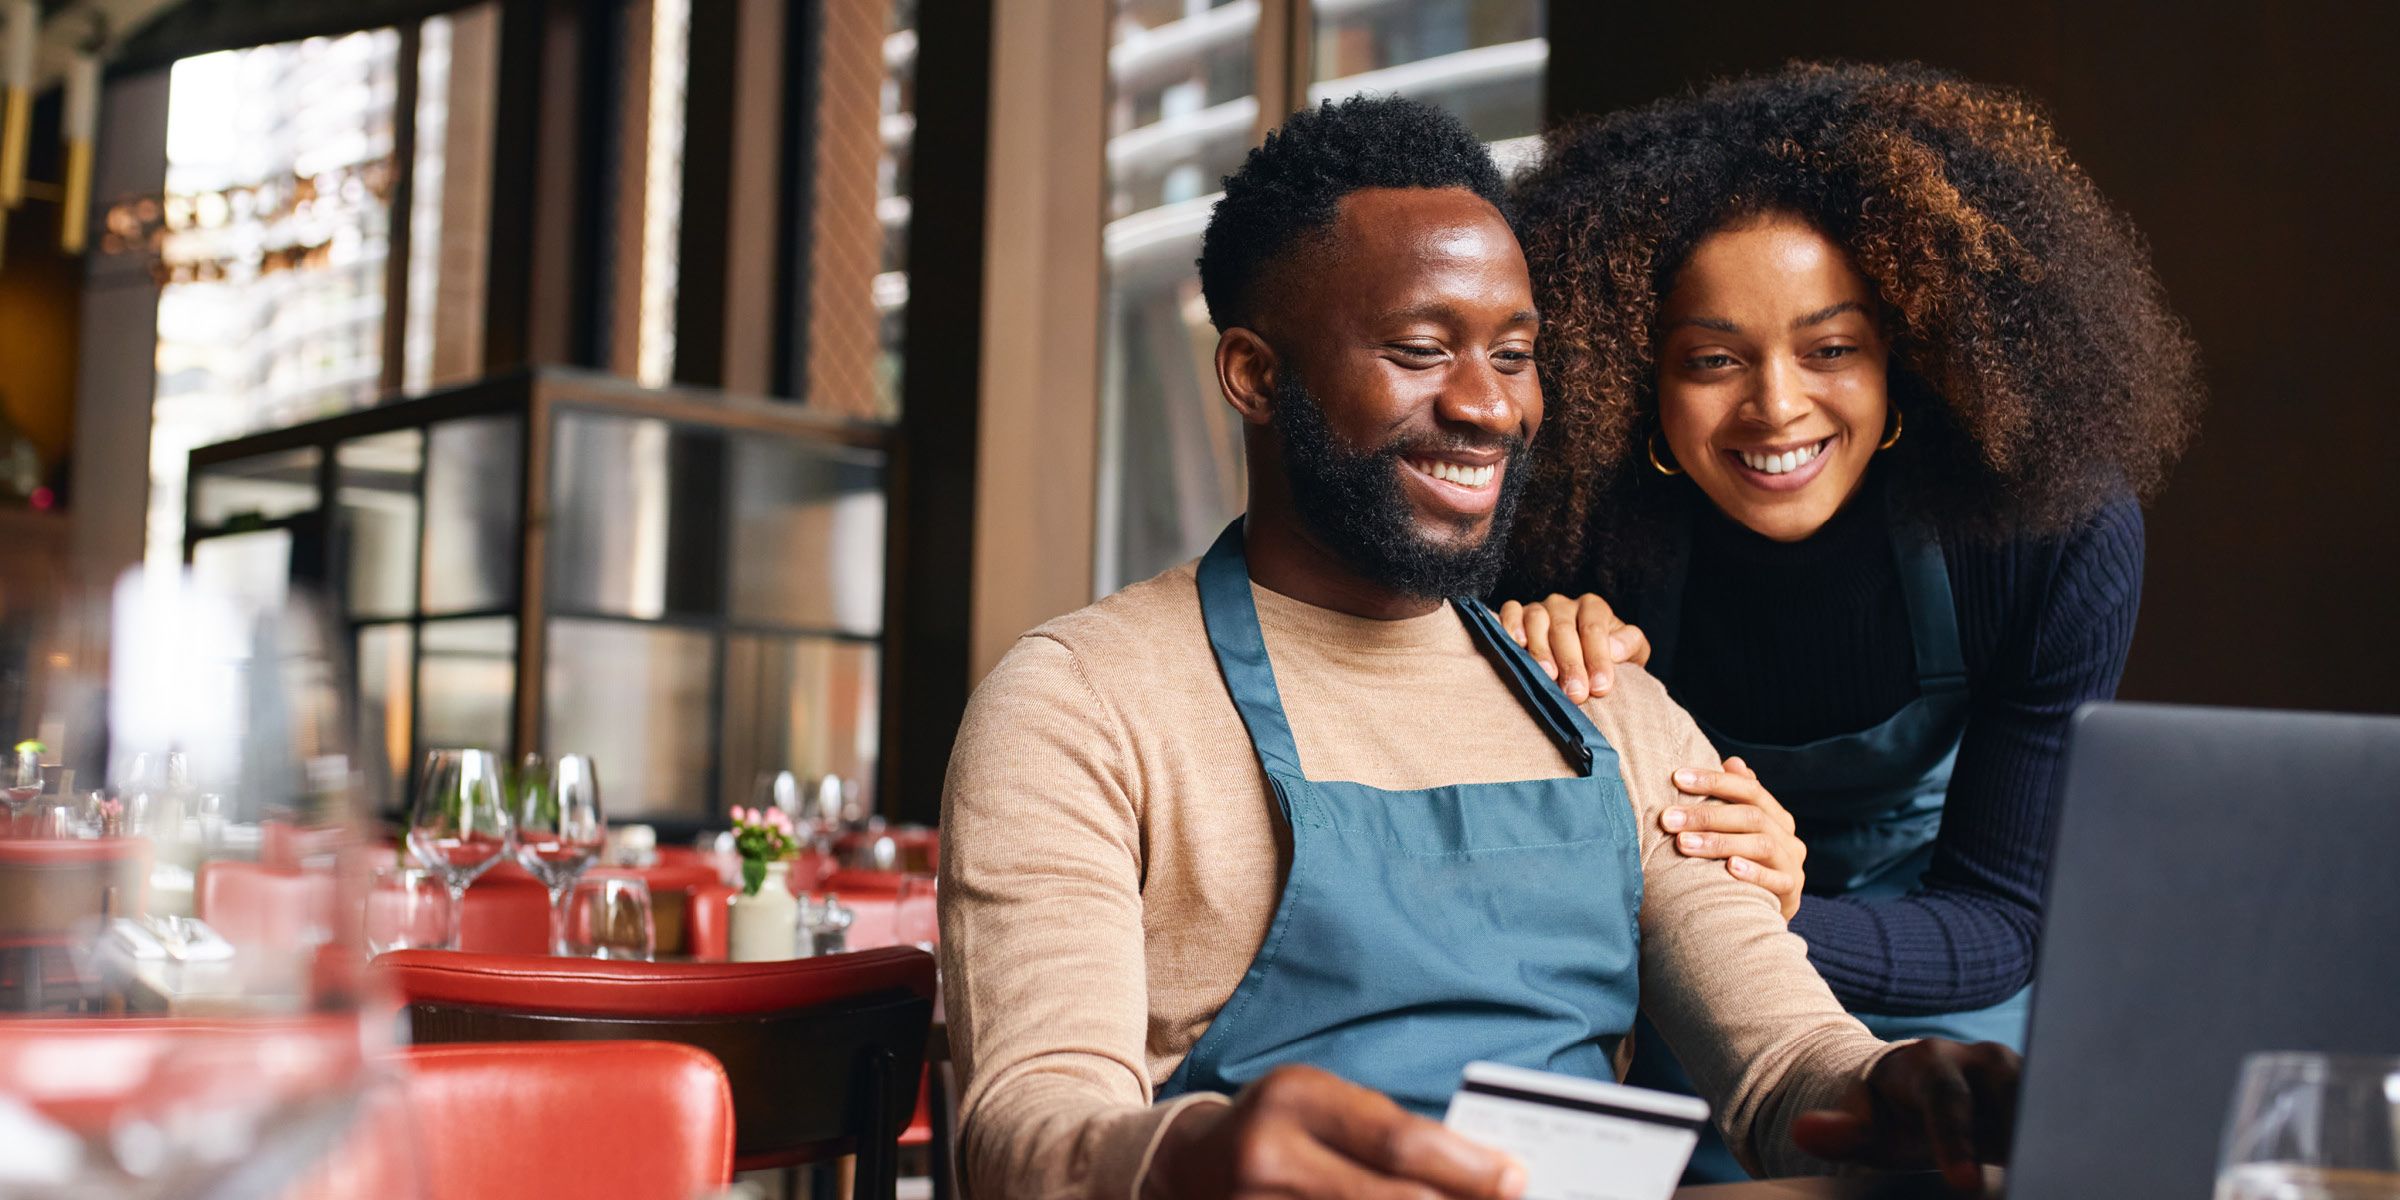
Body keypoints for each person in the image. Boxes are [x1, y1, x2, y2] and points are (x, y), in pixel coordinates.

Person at [940, 95, 2017, 1200]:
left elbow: (1788, 1067)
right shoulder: (1081, 703)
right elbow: (1023, 1128)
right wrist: (1183, 1161)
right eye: (1420, 351)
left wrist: (1892, 1092)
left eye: (1513, 354)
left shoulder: (1601, 701)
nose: (1487, 406)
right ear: (1257, 376)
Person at [1495, 63, 2200, 1177]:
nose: (1777, 406)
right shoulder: (1566, 532)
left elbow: (2003, 920)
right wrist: (1529, 655)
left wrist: (1784, 910)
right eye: (1714, 360)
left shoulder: (2044, 535)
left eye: (1832, 349)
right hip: (1671, 988)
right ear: (1634, 380)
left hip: (1940, 983)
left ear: (1904, 358)